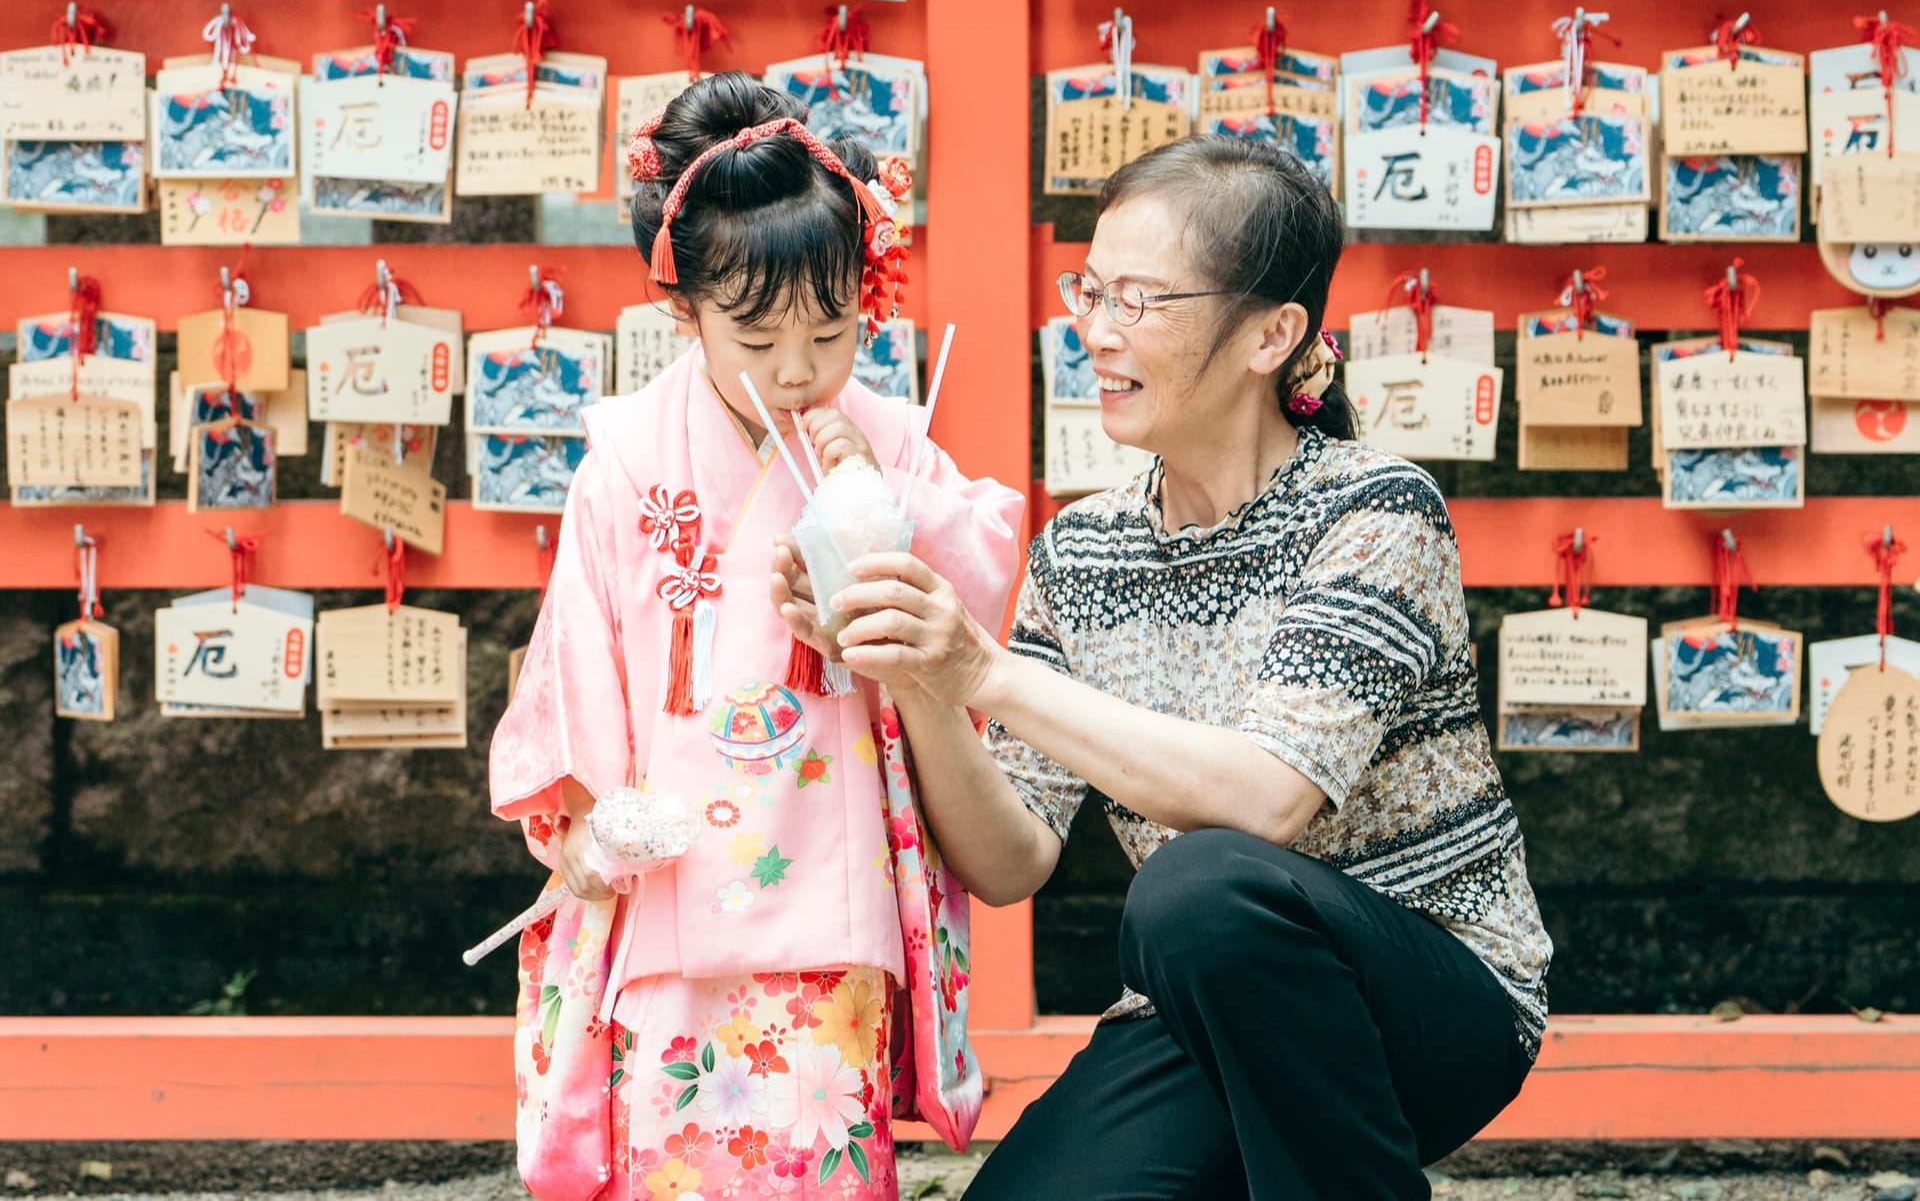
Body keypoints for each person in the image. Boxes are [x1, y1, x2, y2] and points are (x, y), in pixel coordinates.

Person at [781, 136, 1553, 1200]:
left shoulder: (1376, 510)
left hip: (1435, 997)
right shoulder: (1082, 552)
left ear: (1272, 335)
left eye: (1140, 300)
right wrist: (915, 670)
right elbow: (1010, 864)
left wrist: (985, 671)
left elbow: (1265, 798)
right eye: (1091, 290)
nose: (1094, 331)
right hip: (1204, 1002)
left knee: (1196, 884)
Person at [490, 72, 1024, 1201]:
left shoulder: (882, 432)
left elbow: (980, 583)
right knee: (673, 1158)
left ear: (864, 300)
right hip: (672, 872)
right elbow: (574, 658)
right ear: (680, 306)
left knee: (817, 1149)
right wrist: (583, 821)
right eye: (757, 334)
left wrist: (894, 501)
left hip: (829, 888)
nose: (796, 369)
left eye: (830, 330)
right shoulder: (629, 457)